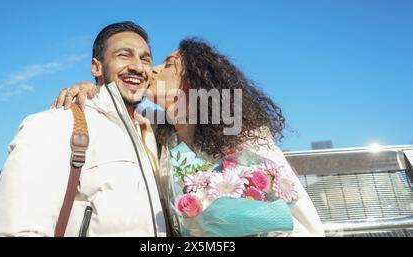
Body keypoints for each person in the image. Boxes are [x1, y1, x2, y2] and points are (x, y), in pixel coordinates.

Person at [54, 38, 325, 236]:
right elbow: (117, 105)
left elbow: (304, 224)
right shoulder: (159, 133)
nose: (154, 69)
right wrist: (93, 88)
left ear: (197, 82)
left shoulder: (245, 136)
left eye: (170, 65)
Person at [0, 21, 167, 237]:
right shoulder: (56, 124)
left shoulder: (153, 132)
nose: (138, 67)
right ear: (96, 67)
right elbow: (17, 231)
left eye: (145, 59)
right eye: (124, 55)